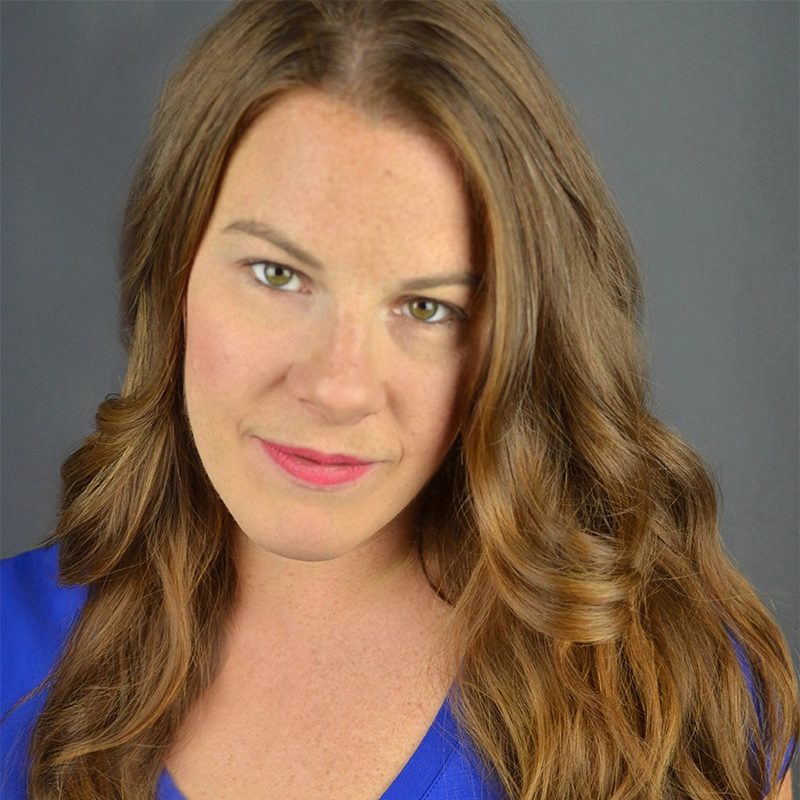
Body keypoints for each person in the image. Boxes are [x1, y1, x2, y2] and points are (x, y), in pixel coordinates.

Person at [2, 1, 797, 798]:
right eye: (278, 275)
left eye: (426, 309)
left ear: (510, 340)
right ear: (170, 271)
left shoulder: (678, 697)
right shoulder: (11, 649)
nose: (337, 387)